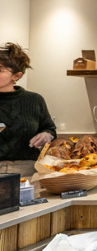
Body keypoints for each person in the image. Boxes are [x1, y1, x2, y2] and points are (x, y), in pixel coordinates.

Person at [0, 43, 56, 177]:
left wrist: (46, 135)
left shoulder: (34, 100)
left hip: (28, 171)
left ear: (16, 76)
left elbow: (50, 129)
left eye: (0, 70)